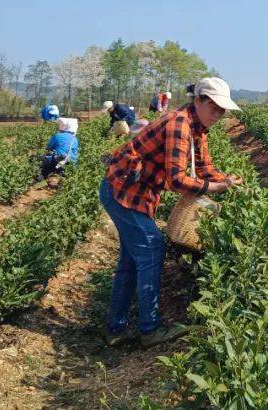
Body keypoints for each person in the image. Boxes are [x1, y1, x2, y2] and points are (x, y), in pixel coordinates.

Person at [100, 77, 243, 347]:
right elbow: (177, 180)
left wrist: (227, 181)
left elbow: (204, 167)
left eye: (222, 110)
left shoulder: (198, 127)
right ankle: (149, 329)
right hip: (123, 191)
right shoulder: (180, 124)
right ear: (198, 100)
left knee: (131, 259)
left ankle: (115, 329)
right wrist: (214, 188)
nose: (218, 114)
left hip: (138, 194)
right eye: (213, 107)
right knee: (152, 249)